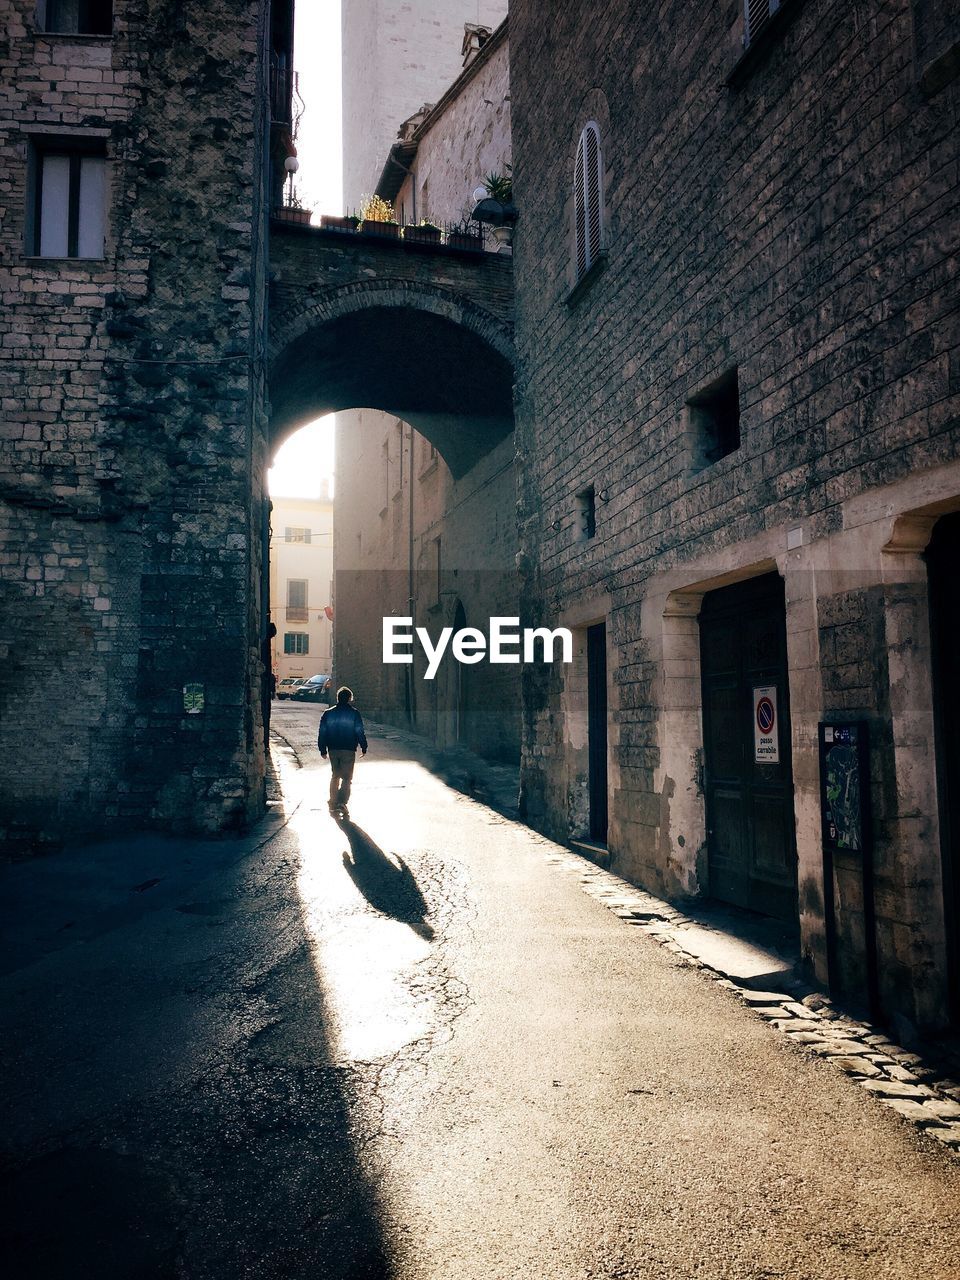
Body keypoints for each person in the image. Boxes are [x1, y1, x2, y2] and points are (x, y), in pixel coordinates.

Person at [318, 686, 368, 818]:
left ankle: (333, 802)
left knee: (335, 776)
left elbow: (322, 732)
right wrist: (364, 746)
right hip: (348, 749)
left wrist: (322, 749)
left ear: (337, 698)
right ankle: (342, 802)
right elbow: (359, 731)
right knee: (346, 778)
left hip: (333, 749)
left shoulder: (328, 713)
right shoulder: (354, 713)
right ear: (349, 699)